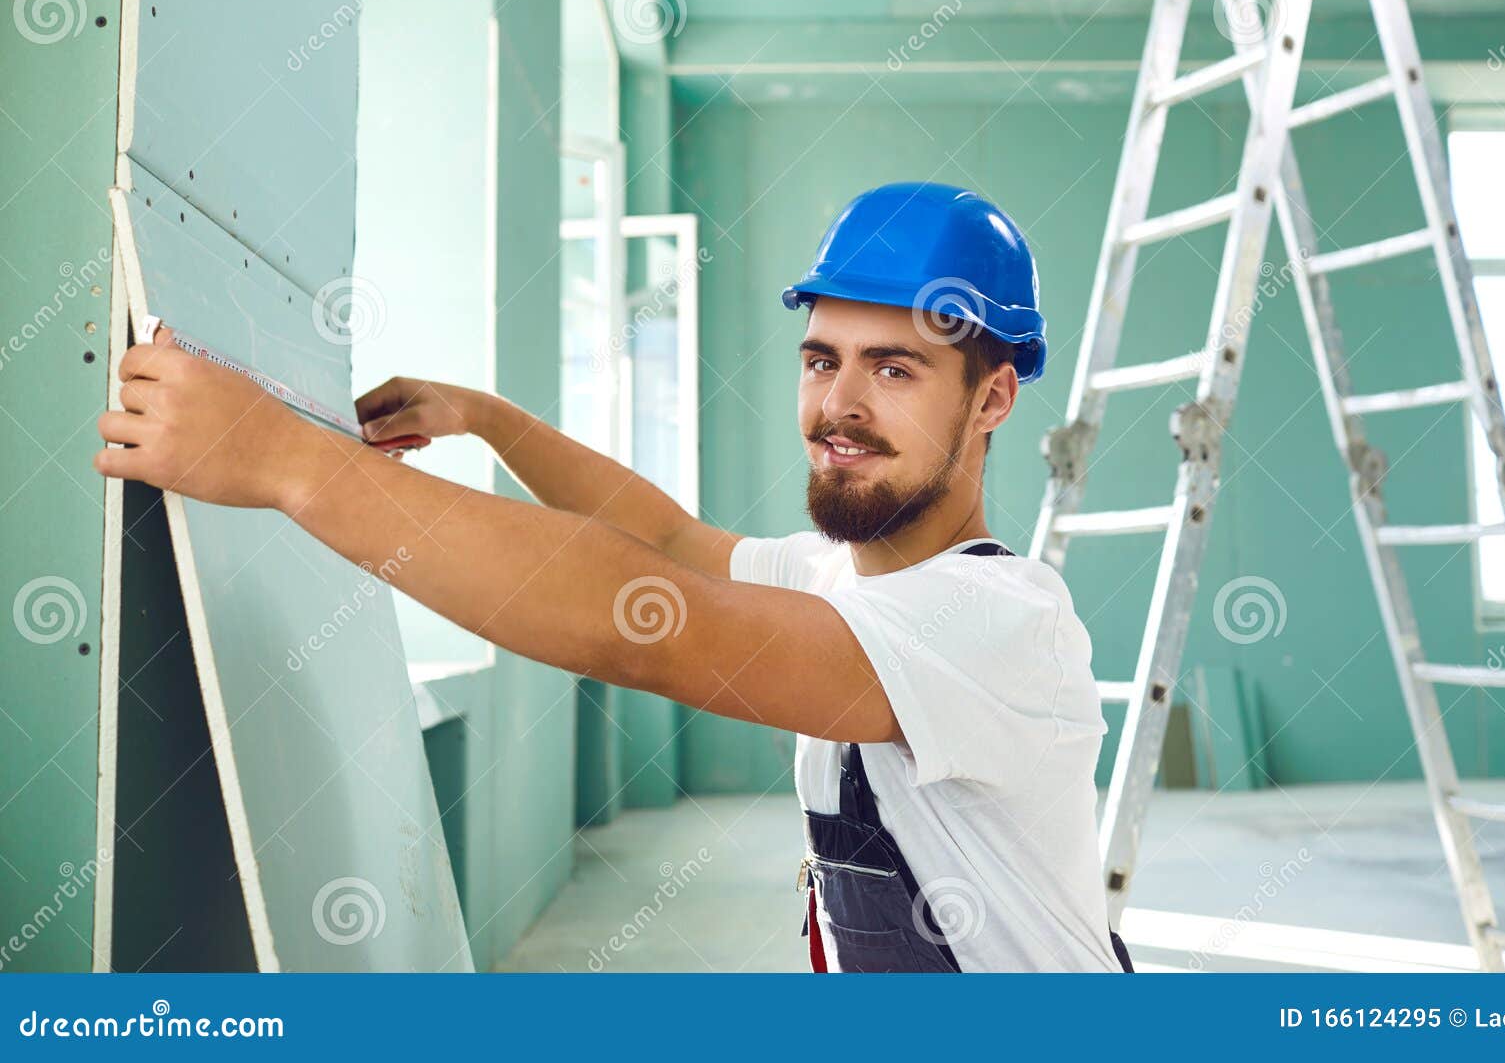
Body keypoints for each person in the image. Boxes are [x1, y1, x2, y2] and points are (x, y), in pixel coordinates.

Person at [94, 180, 1133, 973]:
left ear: (992, 399)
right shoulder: (836, 577)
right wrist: (490, 420)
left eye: (893, 368)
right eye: (822, 359)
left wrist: (281, 459)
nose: (838, 404)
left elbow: (654, 623)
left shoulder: (997, 619)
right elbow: (670, 544)